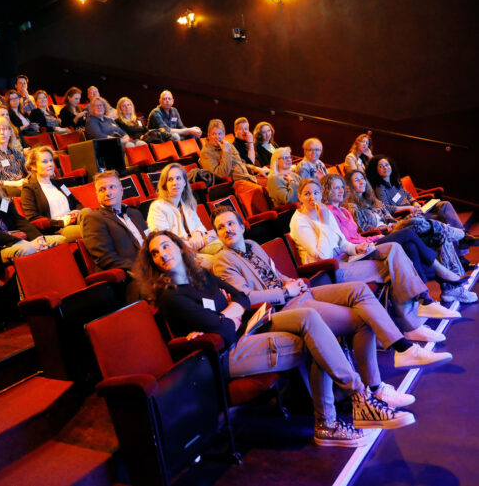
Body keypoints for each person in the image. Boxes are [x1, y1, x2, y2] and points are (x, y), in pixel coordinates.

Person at [136, 230, 416, 447]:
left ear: (178, 247)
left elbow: (243, 297)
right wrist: (230, 316)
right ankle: (349, 405)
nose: (162, 254)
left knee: (309, 318)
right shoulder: (171, 296)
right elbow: (222, 332)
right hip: (225, 354)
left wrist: (230, 314)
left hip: (248, 328)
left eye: (165, 246)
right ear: (153, 263)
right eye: (155, 253)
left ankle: (350, 406)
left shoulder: (202, 276)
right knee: (314, 340)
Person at [211, 206, 452, 401]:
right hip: (280, 309)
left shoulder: (253, 245)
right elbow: (246, 297)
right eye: (220, 228)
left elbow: (274, 274)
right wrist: (284, 290)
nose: (227, 229)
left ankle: (403, 349)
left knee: (358, 290)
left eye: (231, 224)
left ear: (242, 226)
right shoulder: (223, 260)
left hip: (297, 293)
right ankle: (377, 386)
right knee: (360, 320)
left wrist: (291, 281)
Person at [289, 178, 453, 341]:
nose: (312, 198)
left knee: (394, 248)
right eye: (307, 194)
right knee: (393, 268)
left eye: (316, 193)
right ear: (299, 196)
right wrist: (324, 223)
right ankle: (413, 323)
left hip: (347, 257)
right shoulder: (299, 221)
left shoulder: (322, 212)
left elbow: (342, 242)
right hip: (328, 270)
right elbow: (323, 255)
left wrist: (356, 248)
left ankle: (424, 302)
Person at [341, 171, 475, 304]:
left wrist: (396, 222)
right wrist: (386, 228)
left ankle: (451, 290)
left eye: (362, 178)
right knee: (415, 222)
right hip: (383, 236)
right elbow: (362, 229)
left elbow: (389, 218)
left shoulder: (373, 200)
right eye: (356, 180)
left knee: (439, 235)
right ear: (349, 185)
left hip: (394, 229)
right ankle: (461, 235)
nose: (361, 181)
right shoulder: (351, 207)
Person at [82, 170, 149, 301]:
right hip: (129, 279)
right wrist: (141, 267)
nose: (108, 193)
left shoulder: (135, 213)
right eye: (102, 189)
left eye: (112, 187)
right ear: (97, 195)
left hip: (151, 268)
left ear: (121, 190)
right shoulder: (93, 219)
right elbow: (106, 259)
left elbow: (149, 240)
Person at [365, 154, 468, 232]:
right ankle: (461, 238)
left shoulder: (395, 181)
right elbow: (387, 207)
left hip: (415, 209)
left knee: (445, 204)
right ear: (376, 170)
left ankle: (462, 234)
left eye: (387, 165)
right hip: (406, 216)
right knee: (441, 220)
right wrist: (408, 208)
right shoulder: (380, 187)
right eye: (381, 166)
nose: (385, 168)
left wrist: (415, 203)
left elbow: (408, 195)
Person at [146, 163, 222, 267]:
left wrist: (198, 233)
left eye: (178, 178)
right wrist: (192, 244)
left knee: (229, 249)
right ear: (165, 184)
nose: (175, 183)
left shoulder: (186, 202)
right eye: (170, 179)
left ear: (184, 182)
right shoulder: (157, 207)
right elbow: (164, 242)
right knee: (216, 262)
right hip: (180, 253)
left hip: (199, 245)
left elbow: (199, 225)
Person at [21, 146, 86, 242]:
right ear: (34, 166)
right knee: (93, 229)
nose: (50, 164)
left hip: (76, 220)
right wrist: (61, 222)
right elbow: (33, 218)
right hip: (58, 230)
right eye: (44, 161)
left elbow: (77, 203)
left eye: (51, 160)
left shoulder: (60, 184)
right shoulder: (29, 190)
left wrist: (76, 212)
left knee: (87, 212)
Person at [199, 119, 259, 185]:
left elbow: (240, 163)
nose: (217, 137)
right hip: (234, 184)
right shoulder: (206, 153)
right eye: (214, 134)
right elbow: (220, 174)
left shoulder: (228, 145)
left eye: (220, 134)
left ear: (224, 134)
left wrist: (256, 169)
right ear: (209, 135)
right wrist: (226, 152)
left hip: (247, 177)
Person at [0, 116, 29, 196]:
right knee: (27, 192)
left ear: (10, 132)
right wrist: (15, 183)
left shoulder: (15, 152)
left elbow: (28, 170)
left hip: (21, 185)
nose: (1, 132)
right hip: (3, 189)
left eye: (4, 129)